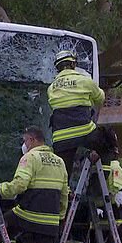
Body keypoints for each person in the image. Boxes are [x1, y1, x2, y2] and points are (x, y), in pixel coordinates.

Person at [47, 50, 105, 178]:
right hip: (85, 134)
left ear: (58, 68)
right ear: (74, 65)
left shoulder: (51, 88)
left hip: (60, 139)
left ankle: (66, 194)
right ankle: (100, 181)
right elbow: (100, 98)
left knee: (63, 175)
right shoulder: (85, 81)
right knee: (108, 139)